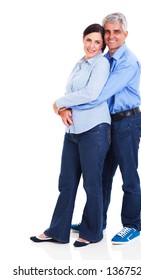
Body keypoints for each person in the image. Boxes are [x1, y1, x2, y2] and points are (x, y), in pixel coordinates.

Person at [30, 23, 111, 247]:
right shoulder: (80, 63)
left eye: (97, 42)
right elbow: (71, 93)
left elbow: (90, 93)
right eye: (89, 40)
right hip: (73, 131)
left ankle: (93, 232)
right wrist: (63, 109)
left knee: (92, 184)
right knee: (66, 182)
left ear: (102, 46)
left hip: (94, 130)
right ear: (83, 39)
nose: (92, 45)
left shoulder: (101, 64)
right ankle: (57, 230)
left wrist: (58, 103)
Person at [70, 12, 141, 244]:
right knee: (102, 176)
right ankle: (95, 222)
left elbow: (98, 95)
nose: (111, 36)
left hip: (127, 123)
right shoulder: (103, 59)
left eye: (116, 32)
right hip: (107, 123)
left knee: (129, 177)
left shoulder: (127, 62)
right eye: (108, 32)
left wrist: (64, 105)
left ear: (125, 34)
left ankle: (132, 225)